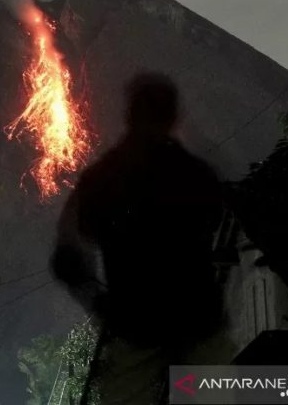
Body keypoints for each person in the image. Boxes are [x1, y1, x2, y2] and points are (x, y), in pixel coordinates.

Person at [52, 72, 228, 404]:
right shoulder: (197, 175)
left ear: (130, 115)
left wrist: (99, 302)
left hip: (137, 329)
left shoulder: (101, 179)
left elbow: (67, 254)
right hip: (198, 322)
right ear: (174, 117)